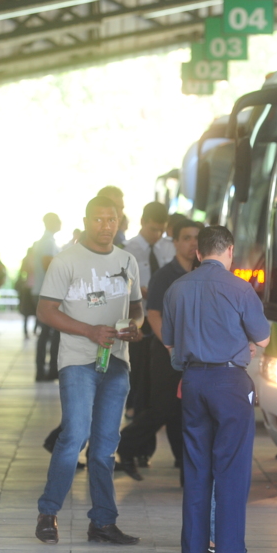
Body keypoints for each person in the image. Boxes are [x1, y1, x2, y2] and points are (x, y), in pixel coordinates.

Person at [34, 195, 144, 546]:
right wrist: (89, 331)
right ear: (85, 220)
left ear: (119, 221)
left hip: (116, 363)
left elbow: (138, 308)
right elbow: (46, 311)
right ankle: (48, 513)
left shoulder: (128, 260)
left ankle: (102, 523)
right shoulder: (66, 261)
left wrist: (135, 328)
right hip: (78, 360)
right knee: (74, 436)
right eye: (98, 219)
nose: (106, 226)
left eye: (111, 219)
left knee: (104, 447)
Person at [163, 225, 271, 553]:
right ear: (230, 252)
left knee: (196, 465)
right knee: (232, 466)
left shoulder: (176, 288)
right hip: (229, 381)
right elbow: (264, 339)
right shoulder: (240, 288)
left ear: (198, 253)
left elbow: (169, 343)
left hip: (192, 380)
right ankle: (228, 549)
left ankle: (193, 550)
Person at [116, 219, 202, 480]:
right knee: (163, 408)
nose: (192, 244)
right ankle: (126, 444)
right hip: (167, 353)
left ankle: (185, 465)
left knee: (181, 410)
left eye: (197, 238)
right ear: (174, 242)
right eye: (186, 238)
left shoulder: (203, 273)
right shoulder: (165, 276)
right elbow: (154, 315)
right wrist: (172, 349)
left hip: (196, 354)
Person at [120, 201, 175, 472]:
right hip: (140, 325)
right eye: (153, 229)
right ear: (143, 222)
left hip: (166, 322)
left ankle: (144, 450)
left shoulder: (169, 248)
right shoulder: (128, 250)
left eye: (161, 230)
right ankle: (134, 446)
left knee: (157, 392)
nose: (157, 235)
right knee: (140, 388)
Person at [32, 213, 62, 381]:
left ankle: (46, 369)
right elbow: (48, 265)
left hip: (42, 290)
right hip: (47, 292)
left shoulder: (44, 241)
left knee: (46, 333)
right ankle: (47, 369)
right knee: (49, 333)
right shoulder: (48, 242)